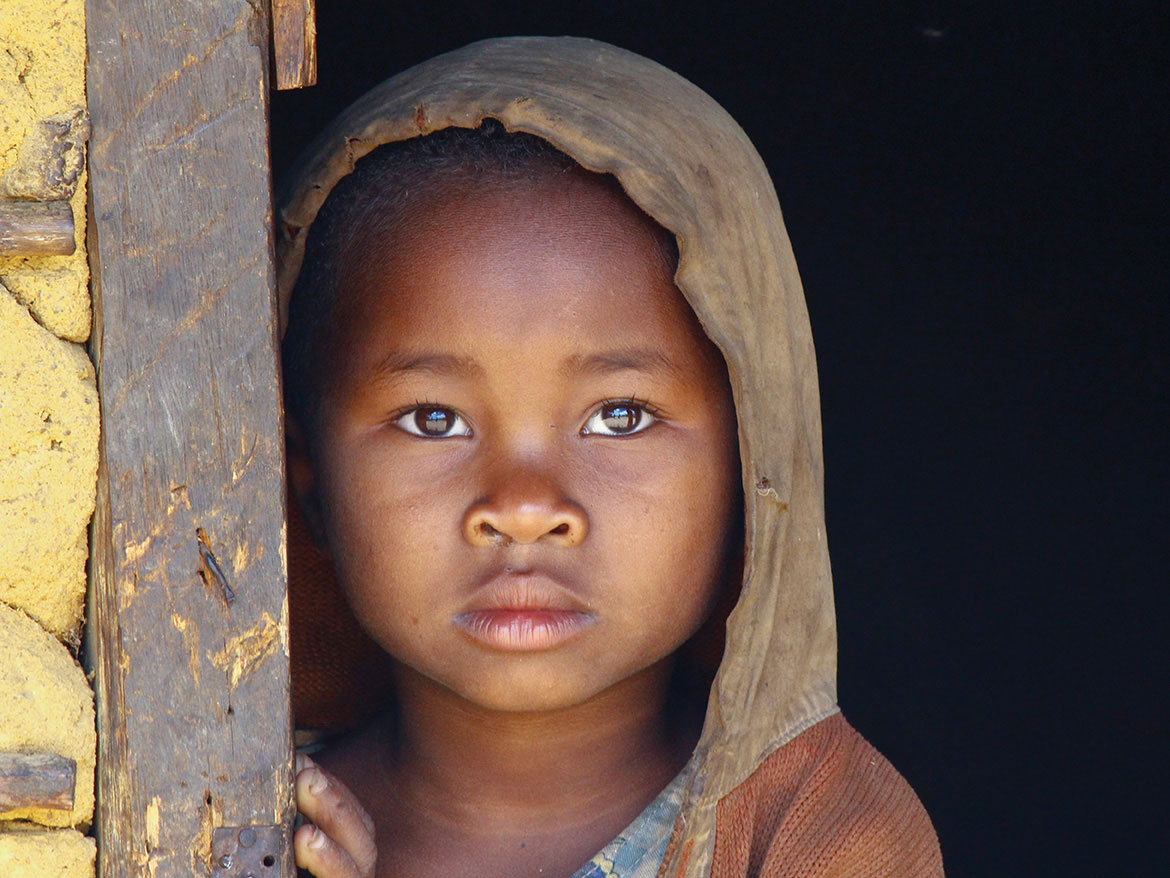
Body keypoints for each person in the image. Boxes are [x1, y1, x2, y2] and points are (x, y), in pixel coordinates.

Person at [275, 36, 943, 878]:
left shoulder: (820, 834)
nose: (522, 505)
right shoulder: (217, 806)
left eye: (620, 416)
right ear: (307, 487)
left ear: (752, 463)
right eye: (434, 419)